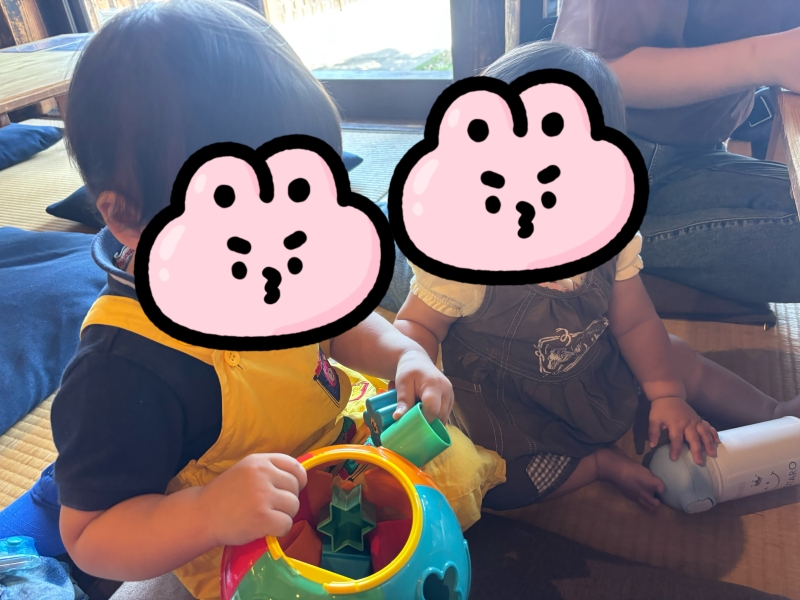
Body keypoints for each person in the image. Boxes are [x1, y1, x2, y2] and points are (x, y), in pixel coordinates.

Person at [45, 2, 468, 598]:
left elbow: (338, 323)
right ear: (126, 217)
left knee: (451, 475)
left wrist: (403, 353)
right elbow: (90, 535)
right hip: (233, 541)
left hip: (332, 450)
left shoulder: (279, 253)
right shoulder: (122, 369)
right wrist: (207, 512)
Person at [393, 41, 800, 513]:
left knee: (673, 354)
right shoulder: (461, 261)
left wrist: (666, 393)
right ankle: (597, 465)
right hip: (507, 406)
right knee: (492, 481)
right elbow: (417, 325)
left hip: (593, 370)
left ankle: (770, 412)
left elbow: (634, 322)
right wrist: (414, 364)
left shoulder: (607, 238)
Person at [552, 1, 800, 304]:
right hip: (596, 152)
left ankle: (595, 246)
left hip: (692, 153)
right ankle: (580, 245)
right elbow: (604, 70)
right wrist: (767, 58)